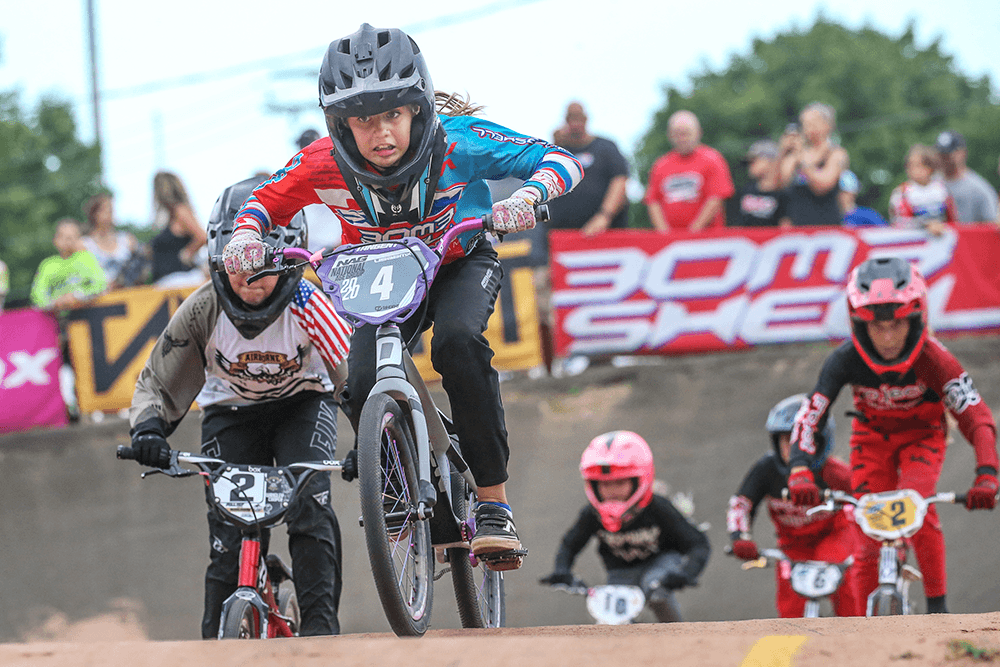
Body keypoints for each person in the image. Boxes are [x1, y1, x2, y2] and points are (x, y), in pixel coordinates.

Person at [220, 23, 583, 568]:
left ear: (417, 108)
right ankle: (399, 488)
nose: (381, 132)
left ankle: (494, 505)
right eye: (363, 119)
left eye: (392, 113)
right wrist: (244, 238)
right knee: (360, 381)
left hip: (458, 263)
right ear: (339, 123)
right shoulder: (321, 162)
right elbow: (262, 202)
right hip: (378, 273)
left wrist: (529, 196)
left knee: (458, 343)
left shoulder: (458, 141)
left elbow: (559, 159)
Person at [128, 175, 353, 638]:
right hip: (230, 412)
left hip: (302, 405)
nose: (249, 282)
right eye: (238, 267)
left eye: (262, 268)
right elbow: (158, 380)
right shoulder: (202, 308)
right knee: (228, 534)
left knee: (309, 507)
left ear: (288, 260)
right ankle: (216, 643)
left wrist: (371, 440)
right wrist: (148, 430)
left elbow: (355, 379)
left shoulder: (312, 305)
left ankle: (321, 631)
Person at [784, 256, 998, 615]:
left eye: (896, 324)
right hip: (870, 439)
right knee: (867, 537)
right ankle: (863, 628)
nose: (887, 337)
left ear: (915, 319)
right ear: (859, 323)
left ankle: (938, 610)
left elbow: (976, 417)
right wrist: (800, 468)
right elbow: (811, 415)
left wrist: (987, 473)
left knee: (917, 508)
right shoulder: (843, 359)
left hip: (923, 437)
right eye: (876, 326)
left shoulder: (935, 358)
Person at [538, 431, 710, 622]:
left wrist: (685, 573)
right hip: (620, 572)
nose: (612, 491)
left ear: (639, 480)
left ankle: (676, 632)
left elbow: (698, 543)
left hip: (661, 562)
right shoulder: (592, 514)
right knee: (612, 614)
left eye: (619, 482)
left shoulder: (658, 507)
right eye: (604, 484)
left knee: (655, 588)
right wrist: (562, 570)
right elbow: (570, 544)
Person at [726, 395, 861, 617]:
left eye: (801, 441)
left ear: (821, 441)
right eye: (786, 440)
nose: (793, 448)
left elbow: (866, 502)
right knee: (791, 610)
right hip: (792, 545)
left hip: (833, 537)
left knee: (844, 587)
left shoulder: (837, 474)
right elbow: (741, 504)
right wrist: (739, 537)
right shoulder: (766, 470)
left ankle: (857, 633)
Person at [643, 110, 734, 232]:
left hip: (707, 237)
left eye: (686, 133)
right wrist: (664, 233)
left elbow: (716, 198)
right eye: (677, 134)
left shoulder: (712, 159)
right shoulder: (661, 164)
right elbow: (653, 201)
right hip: (670, 239)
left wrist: (693, 232)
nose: (682, 138)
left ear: (698, 132)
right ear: (669, 135)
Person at [548, 102, 630, 235]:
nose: (575, 123)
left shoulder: (606, 147)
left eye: (578, 118)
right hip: (562, 233)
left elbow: (620, 181)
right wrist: (554, 145)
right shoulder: (560, 152)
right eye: (571, 118)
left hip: (604, 232)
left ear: (586, 119)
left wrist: (605, 215)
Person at [778, 103, 849, 227]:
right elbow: (779, 184)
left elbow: (822, 186)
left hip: (827, 227)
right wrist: (782, 152)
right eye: (805, 124)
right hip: (797, 227)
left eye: (813, 123)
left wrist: (803, 162)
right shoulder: (796, 155)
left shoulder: (836, 154)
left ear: (828, 125)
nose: (808, 128)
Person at [30, 218, 107, 311]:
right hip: (56, 315)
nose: (67, 241)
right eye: (62, 236)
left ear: (79, 238)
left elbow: (101, 284)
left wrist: (76, 296)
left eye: (71, 237)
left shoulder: (86, 258)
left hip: (86, 313)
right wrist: (54, 302)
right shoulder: (47, 265)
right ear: (55, 239)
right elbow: (37, 295)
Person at [150, 171, 208, 288]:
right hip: (169, 282)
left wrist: (187, 252)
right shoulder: (169, 216)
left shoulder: (180, 211)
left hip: (180, 280)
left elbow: (202, 237)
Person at [888, 144, 955, 235]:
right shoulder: (901, 192)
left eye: (917, 165)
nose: (912, 169)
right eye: (909, 165)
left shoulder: (942, 190)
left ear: (930, 168)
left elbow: (953, 220)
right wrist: (925, 225)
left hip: (942, 238)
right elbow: (898, 223)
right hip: (914, 240)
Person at [81, 193, 145, 289]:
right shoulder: (84, 244)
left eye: (111, 209)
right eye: (104, 209)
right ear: (93, 213)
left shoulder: (128, 240)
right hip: (100, 295)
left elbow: (142, 267)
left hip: (128, 293)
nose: (109, 213)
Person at [934, 130, 1000, 224]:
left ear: (963, 153)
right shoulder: (931, 183)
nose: (945, 158)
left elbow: (992, 225)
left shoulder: (979, 189)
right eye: (941, 154)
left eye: (949, 154)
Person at [734, 139, 791, 228]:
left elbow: (786, 227)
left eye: (753, 161)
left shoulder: (784, 193)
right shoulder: (746, 190)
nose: (749, 166)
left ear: (770, 161)